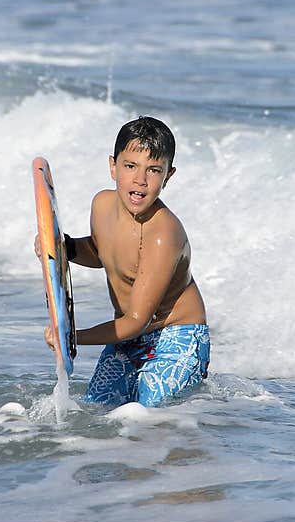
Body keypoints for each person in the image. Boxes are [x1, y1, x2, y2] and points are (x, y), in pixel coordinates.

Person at [37, 116, 209, 407]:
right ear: (112, 167)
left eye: (154, 170)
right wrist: (62, 247)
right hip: (128, 335)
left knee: (150, 419)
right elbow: (102, 252)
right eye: (130, 166)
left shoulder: (163, 234)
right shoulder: (102, 204)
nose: (140, 180)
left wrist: (71, 338)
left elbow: (136, 321)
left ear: (169, 176)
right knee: (98, 411)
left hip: (176, 336)